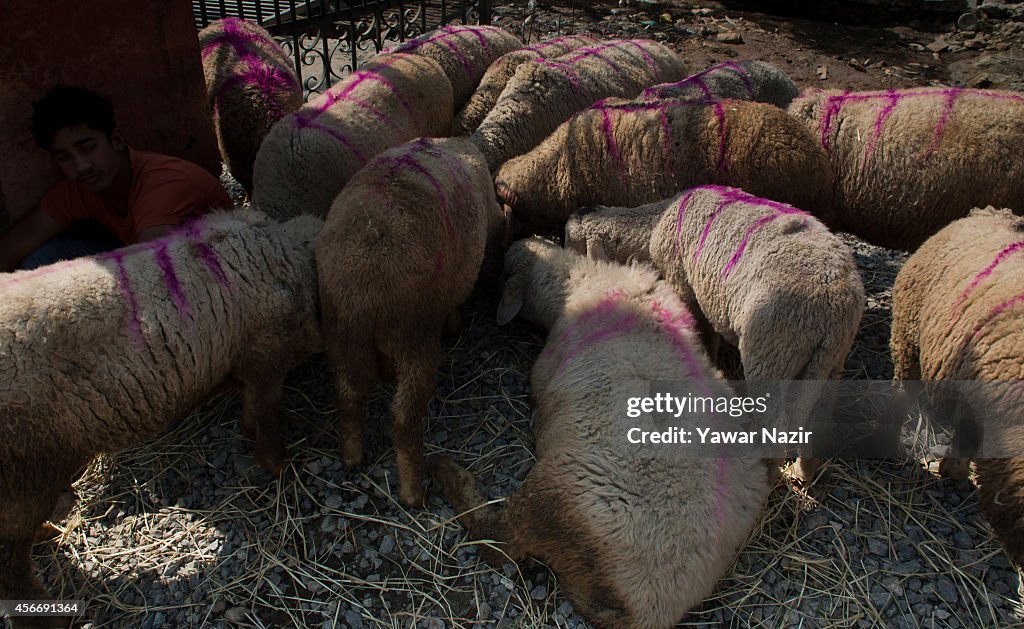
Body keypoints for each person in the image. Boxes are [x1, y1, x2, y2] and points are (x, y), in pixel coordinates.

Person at [0, 85, 233, 272]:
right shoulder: (80, 187)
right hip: (140, 252)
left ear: (116, 140)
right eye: (65, 158)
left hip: (213, 268)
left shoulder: (162, 185)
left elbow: (150, 274)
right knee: (40, 259)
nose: (81, 166)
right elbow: (10, 249)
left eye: (89, 148)